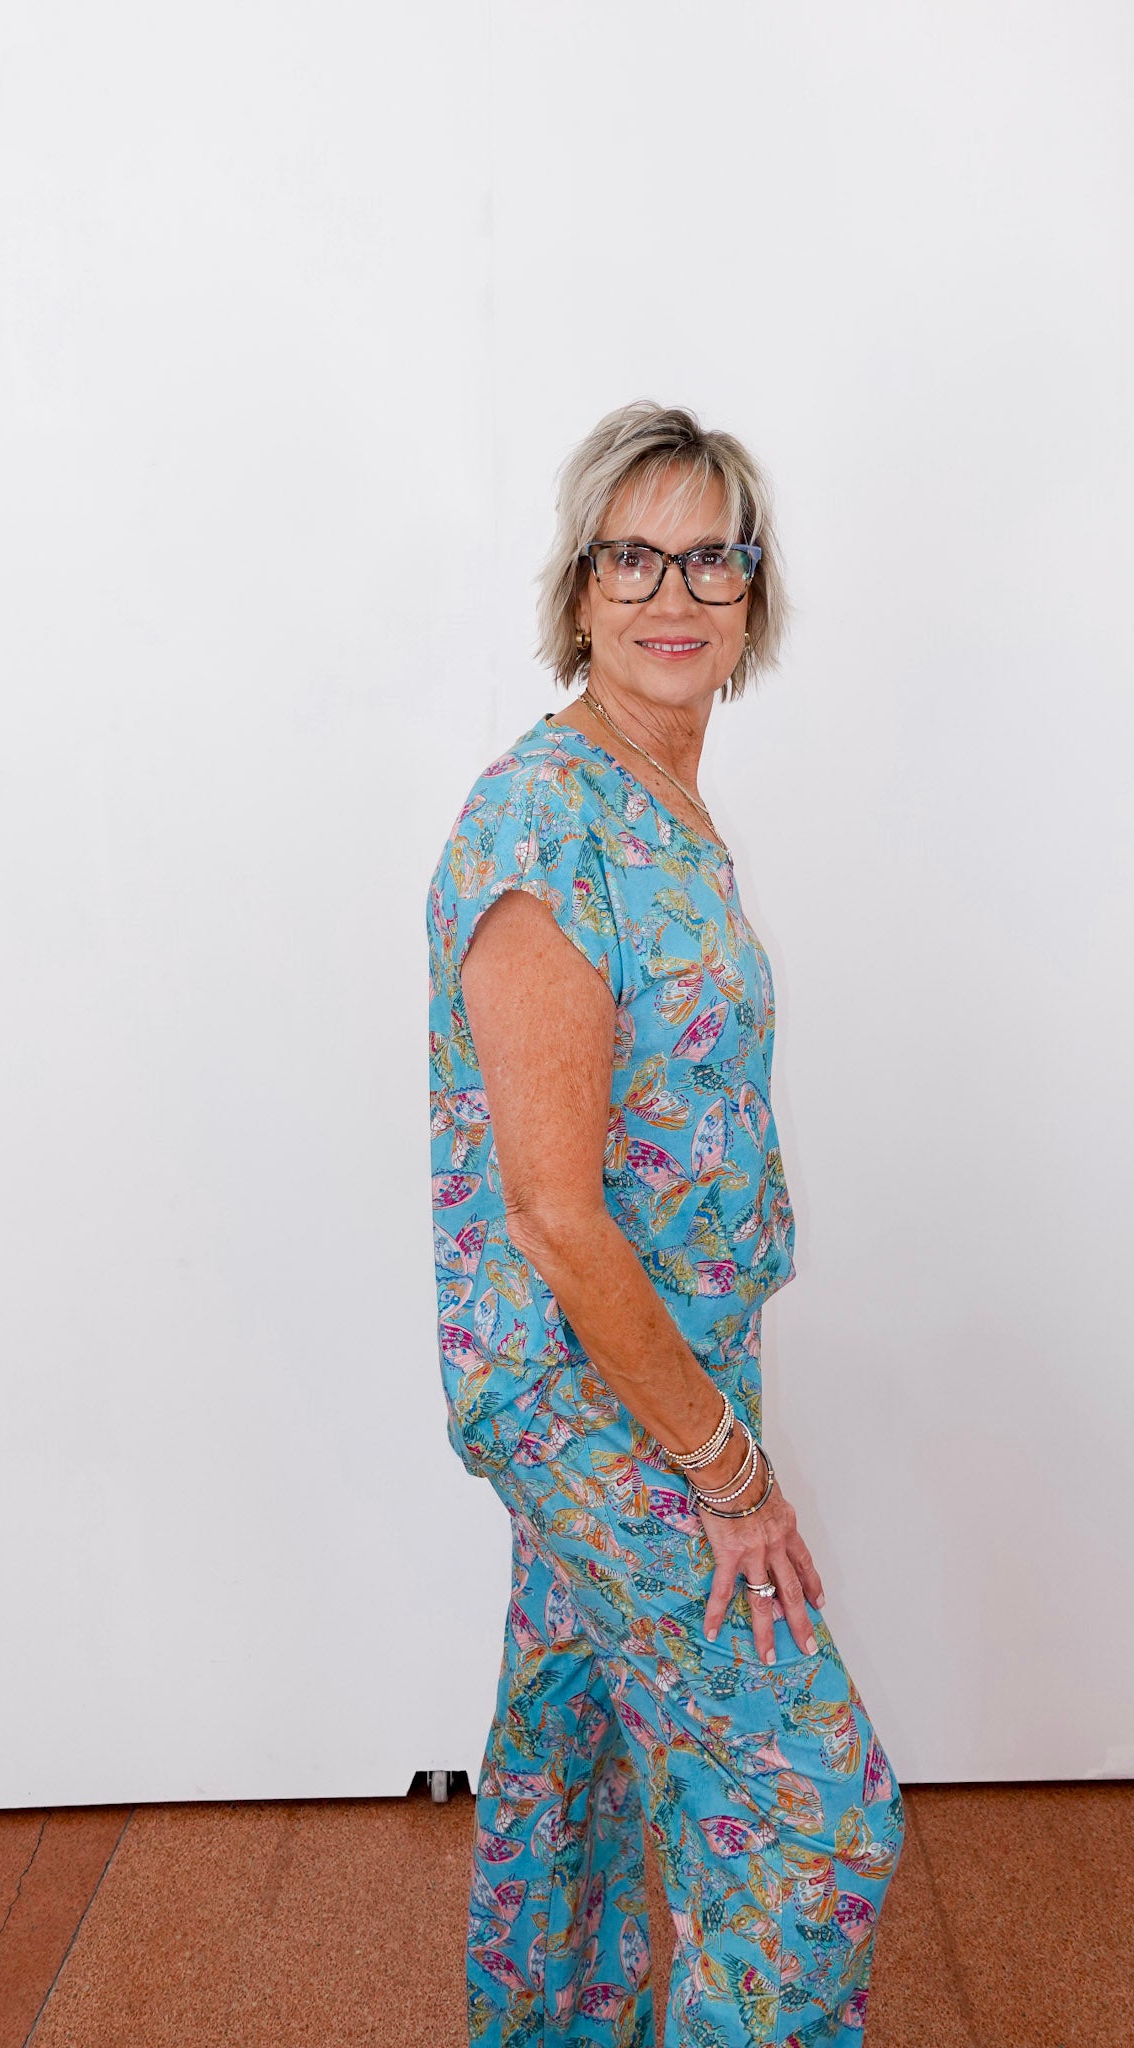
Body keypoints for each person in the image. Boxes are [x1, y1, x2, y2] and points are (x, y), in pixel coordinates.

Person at [426, 401, 904, 2047]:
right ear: (577, 592)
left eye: (712, 554)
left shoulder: (664, 802)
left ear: (752, 596)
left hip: (674, 1365)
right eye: (634, 554)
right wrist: (727, 1472)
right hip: (598, 1401)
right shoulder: (544, 820)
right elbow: (557, 1215)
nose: (673, 589)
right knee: (819, 1821)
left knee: (576, 1779)